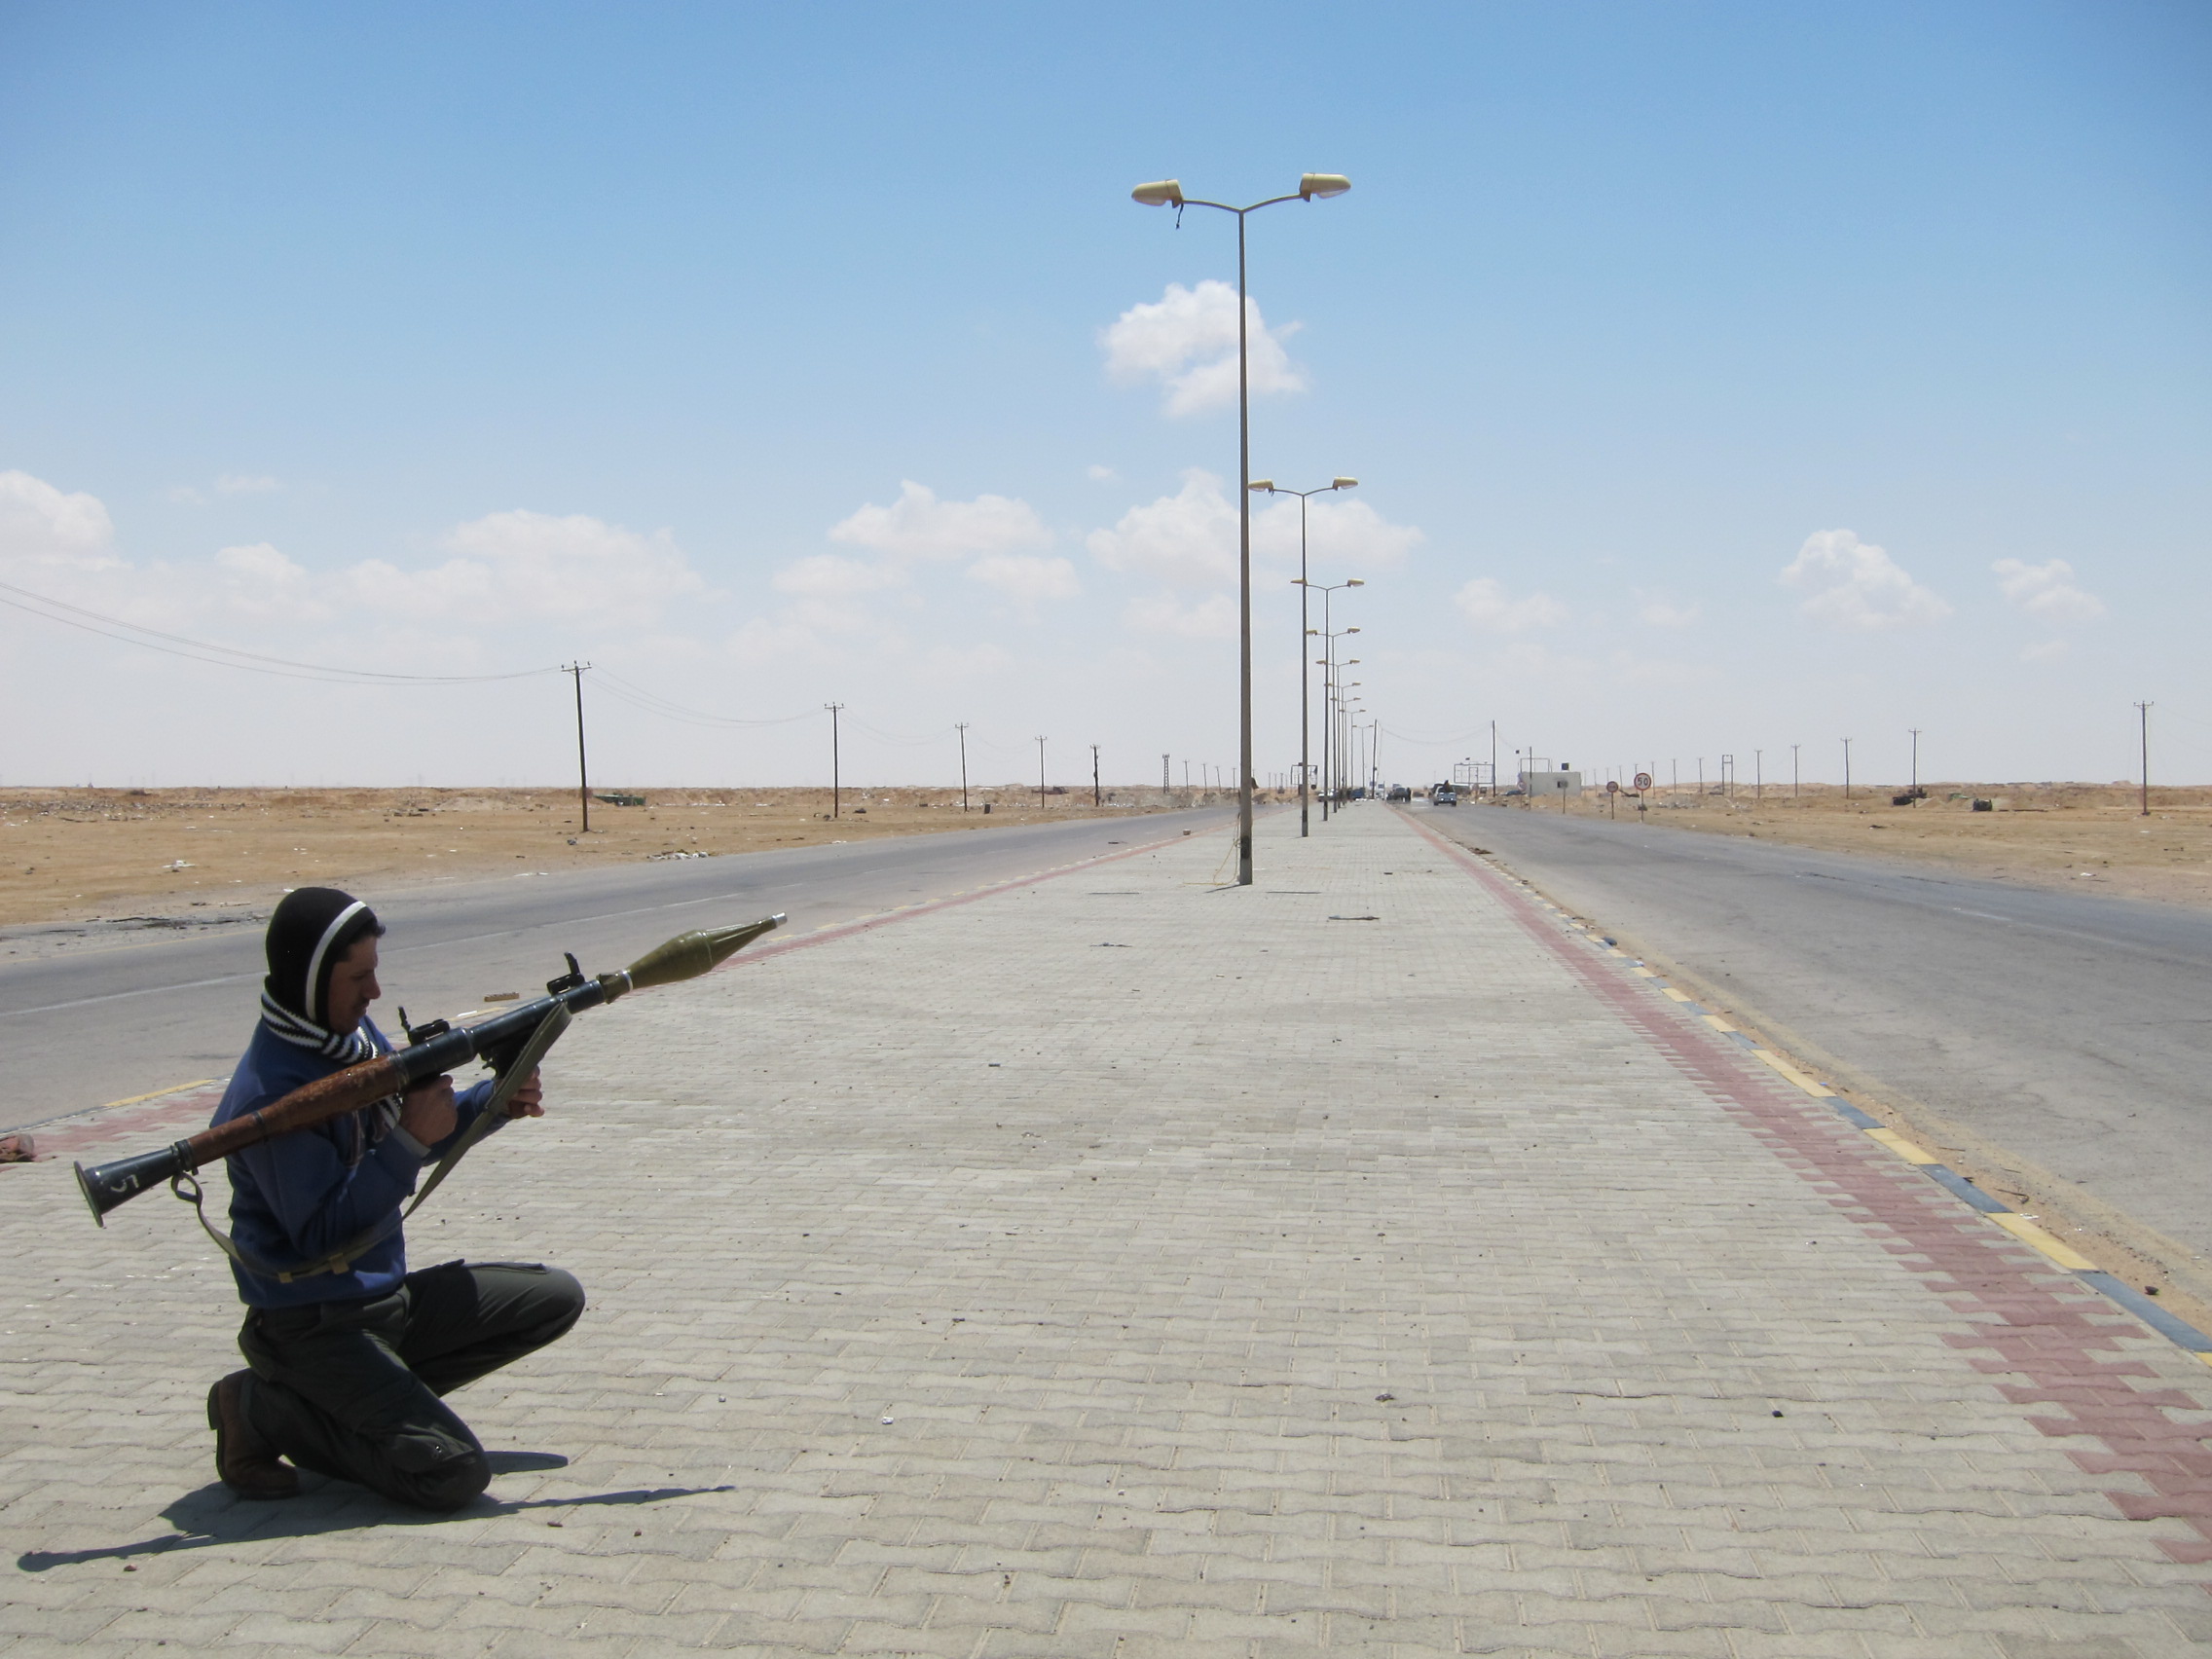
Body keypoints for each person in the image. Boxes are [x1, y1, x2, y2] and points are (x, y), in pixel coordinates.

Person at [204, 886, 585, 1509]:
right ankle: (261, 1407)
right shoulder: (271, 1100)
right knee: (449, 1475)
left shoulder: (346, 1037)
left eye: (375, 972)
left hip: (385, 1302)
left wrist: (493, 1104)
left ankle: (362, 1406)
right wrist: (409, 1138)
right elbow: (322, 1235)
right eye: (358, 977)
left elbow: (406, 1134)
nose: (373, 992)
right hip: (314, 1327)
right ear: (308, 980)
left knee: (554, 1299)